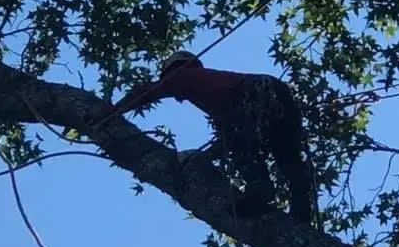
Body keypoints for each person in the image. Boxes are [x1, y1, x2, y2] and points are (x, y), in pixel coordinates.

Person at [111, 51, 313, 223]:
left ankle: (260, 186)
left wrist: (112, 112)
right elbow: (224, 141)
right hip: (274, 91)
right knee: (284, 149)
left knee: (243, 144)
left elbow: (145, 92)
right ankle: (301, 202)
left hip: (255, 92)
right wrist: (202, 158)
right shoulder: (212, 89)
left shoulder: (182, 76)